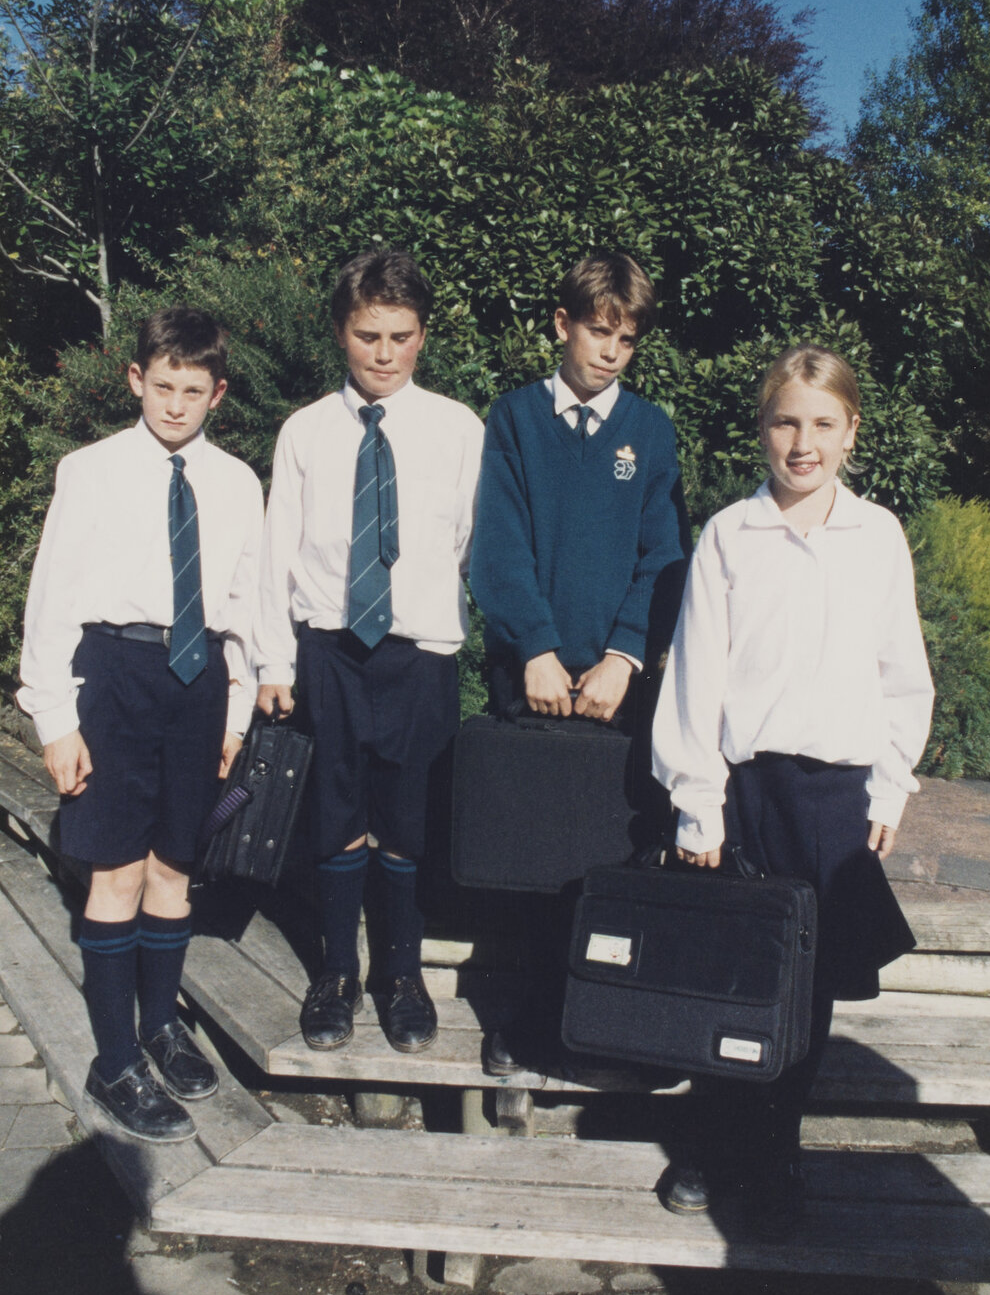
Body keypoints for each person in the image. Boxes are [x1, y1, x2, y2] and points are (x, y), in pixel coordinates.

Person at [651, 342, 934, 1238]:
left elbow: (902, 677)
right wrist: (699, 802)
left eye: (821, 424)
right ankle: (712, 1137)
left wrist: (886, 794)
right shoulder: (731, 535)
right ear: (761, 430)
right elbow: (695, 676)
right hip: (747, 793)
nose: (801, 443)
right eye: (785, 422)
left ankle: (775, 1151)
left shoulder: (876, 536)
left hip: (836, 798)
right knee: (736, 976)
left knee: (806, 993)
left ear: (851, 433)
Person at [17, 308, 263, 1143]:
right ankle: (114, 1057)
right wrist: (54, 717)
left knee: (174, 869)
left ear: (217, 394)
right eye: (162, 387)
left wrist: (233, 710)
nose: (174, 405)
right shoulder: (89, 472)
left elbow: (244, 607)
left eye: (193, 392)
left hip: (196, 685)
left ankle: (162, 1026)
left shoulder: (235, 482)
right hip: (114, 678)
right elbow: (50, 603)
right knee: (115, 872)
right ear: (135, 380)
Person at [255, 248, 484, 1057]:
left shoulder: (458, 429)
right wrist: (273, 662)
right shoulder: (306, 431)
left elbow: (464, 544)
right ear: (340, 334)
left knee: (405, 821)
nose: (383, 353)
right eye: (366, 336)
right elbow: (276, 549)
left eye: (400, 335)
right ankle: (336, 974)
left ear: (423, 336)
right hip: (328, 649)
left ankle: (399, 974)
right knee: (334, 815)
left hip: (416, 651)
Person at [470, 250, 690, 1072]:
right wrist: (534, 649)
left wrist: (623, 657)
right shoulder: (514, 420)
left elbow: (664, 555)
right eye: (598, 332)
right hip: (529, 675)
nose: (609, 352)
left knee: (607, 850)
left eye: (626, 340)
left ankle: (597, 1020)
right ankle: (519, 1021)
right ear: (562, 325)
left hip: (614, 684)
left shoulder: (650, 431)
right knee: (529, 851)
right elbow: (498, 548)